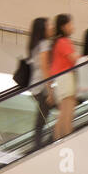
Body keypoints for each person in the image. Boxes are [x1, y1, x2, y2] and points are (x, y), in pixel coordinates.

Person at [48, 14, 78, 140]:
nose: (72, 27)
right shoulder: (64, 42)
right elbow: (75, 60)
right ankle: (67, 142)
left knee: (62, 116)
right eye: (70, 24)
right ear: (64, 26)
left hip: (60, 81)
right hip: (67, 79)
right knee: (67, 115)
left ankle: (57, 143)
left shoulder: (56, 43)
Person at [26, 16, 52, 149]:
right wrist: (50, 90)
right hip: (41, 85)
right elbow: (44, 67)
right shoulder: (44, 44)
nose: (51, 28)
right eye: (48, 26)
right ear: (43, 29)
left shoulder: (34, 44)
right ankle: (39, 146)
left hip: (34, 85)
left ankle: (40, 144)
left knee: (43, 115)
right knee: (42, 118)